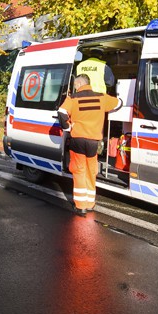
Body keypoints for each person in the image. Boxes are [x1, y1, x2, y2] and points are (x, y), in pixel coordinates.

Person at [58, 73, 122, 216]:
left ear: (80, 84)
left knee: (79, 170)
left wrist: (68, 127)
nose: (75, 87)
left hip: (78, 140)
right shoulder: (101, 97)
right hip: (94, 142)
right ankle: (90, 203)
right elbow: (119, 103)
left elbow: (61, 112)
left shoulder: (73, 98)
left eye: (76, 84)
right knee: (91, 171)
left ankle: (81, 206)